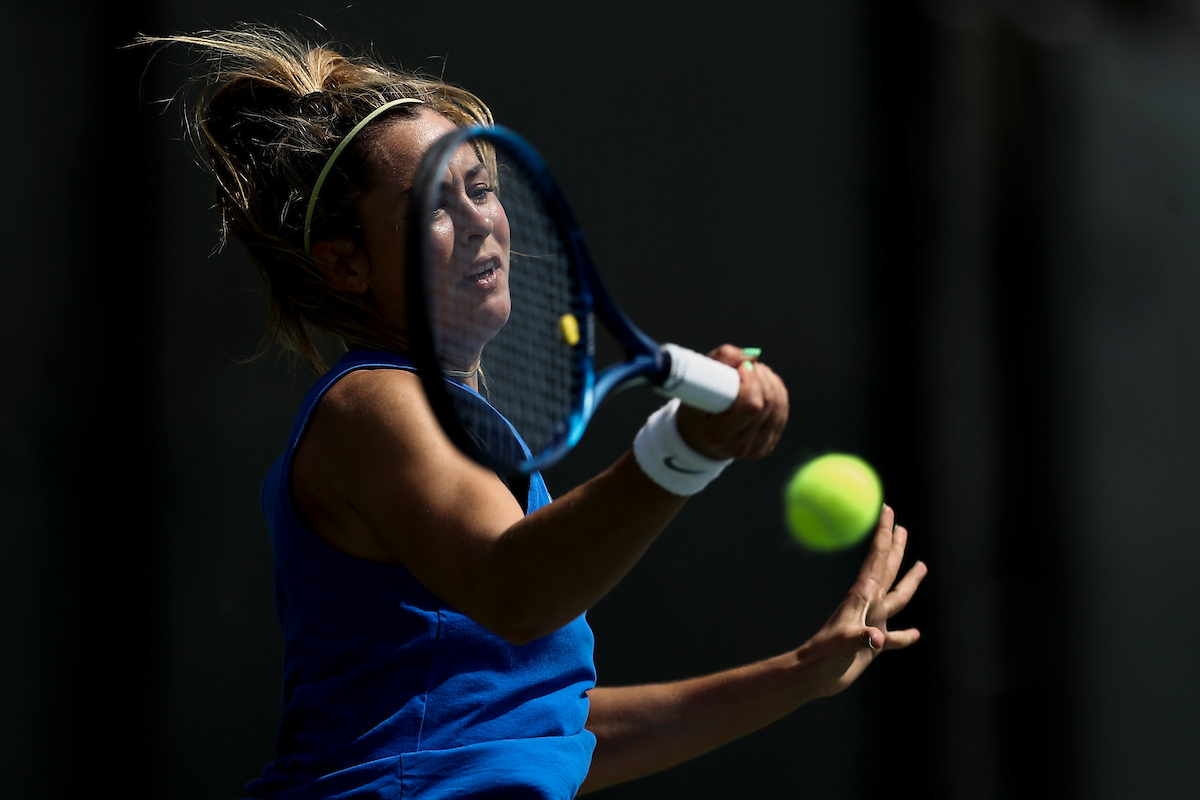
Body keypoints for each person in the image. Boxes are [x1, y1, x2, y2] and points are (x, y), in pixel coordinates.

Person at [144, 24, 928, 799]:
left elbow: (542, 732)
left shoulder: (457, 431)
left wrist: (797, 676)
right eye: (434, 206)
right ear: (347, 263)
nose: (481, 218)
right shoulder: (374, 402)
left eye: (481, 186)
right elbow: (512, 592)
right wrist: (681, 449)